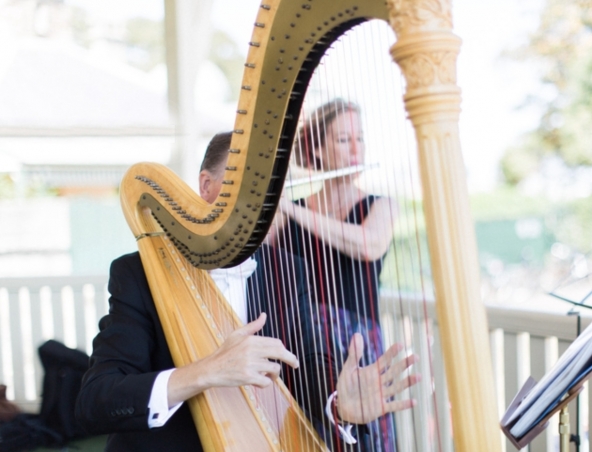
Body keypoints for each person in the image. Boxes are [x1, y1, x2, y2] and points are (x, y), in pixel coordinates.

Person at [75, 132, 418, 451]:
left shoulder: (286, 268)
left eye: (271, 192)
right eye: (248, 188)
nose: (261, 206)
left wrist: (338, 403)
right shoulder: (138, 273)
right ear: (206, 186)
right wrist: (207, 371)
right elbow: (97, 400)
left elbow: (308, 361)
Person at [268, 99, 400, 451]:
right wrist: (273, 200)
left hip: (358, 347)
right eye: (343, 140)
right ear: (317, 150)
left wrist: (292, 211)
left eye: (360, 138)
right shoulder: (287, 209)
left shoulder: (381, 205)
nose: (356, 149)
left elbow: (369, 245)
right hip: (301, 346)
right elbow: (251, 254)